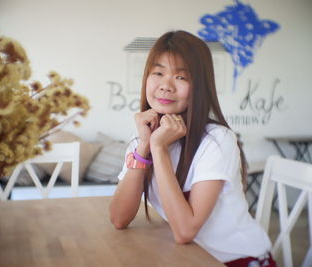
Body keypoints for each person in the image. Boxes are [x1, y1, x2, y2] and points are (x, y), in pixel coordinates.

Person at [109, 30, 276, 267]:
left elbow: (185, 231)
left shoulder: (217, 141)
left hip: (237, 260)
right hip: (188, 257)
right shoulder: (144, 135)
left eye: (181, 77)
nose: (166, 86)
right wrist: (145, 145)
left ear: (199, 86)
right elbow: (118, 218)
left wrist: (158, 148)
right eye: (158, 73)